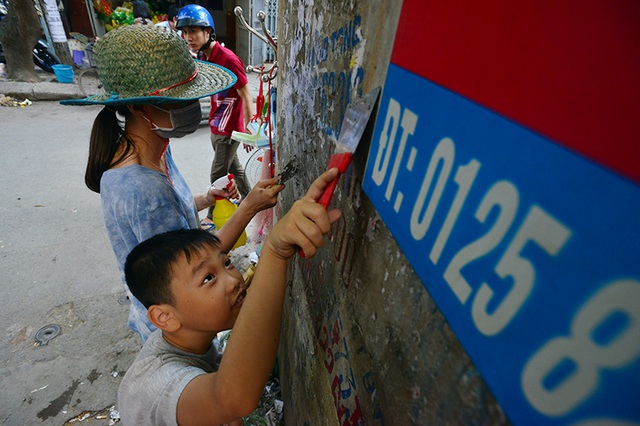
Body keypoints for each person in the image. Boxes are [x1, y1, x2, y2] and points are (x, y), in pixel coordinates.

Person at [61, 25, 284, 342]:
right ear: (139, 108)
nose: (193, 109)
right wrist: (250, 206)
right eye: (179, 102)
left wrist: (207, 198)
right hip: (178, 327)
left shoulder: (149, 151)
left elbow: (171, 217)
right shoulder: (144, 191)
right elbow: (196, 265)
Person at [118, 169, 342, 425]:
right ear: (164, 317)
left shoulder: (189, 338)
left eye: (226, 263)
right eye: (208, 279)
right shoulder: (158, 383)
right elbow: (232, 398)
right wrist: (275, 252)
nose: (234, 280)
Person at [176, 5, 254, 230]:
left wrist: (248, 127)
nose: (188, 37)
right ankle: (250, 199)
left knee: (217, 173)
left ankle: (211, 214)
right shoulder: (204, 56)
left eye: (193, 31)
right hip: (216, 123)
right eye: (185, 32)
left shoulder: (228, 58)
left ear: (208, 32)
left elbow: (246, 94)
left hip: (228, 128)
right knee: (234, 169)